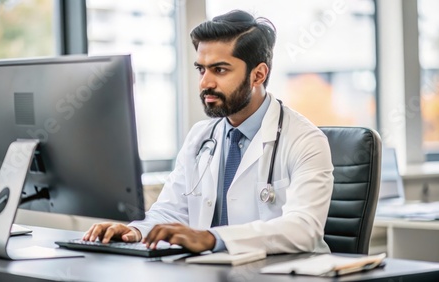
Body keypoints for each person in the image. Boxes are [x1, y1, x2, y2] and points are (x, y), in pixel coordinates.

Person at [83, 10, 334, 255]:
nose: (205, 83)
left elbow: (304, 228)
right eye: (201, 69)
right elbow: (170, 212)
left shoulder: (305, 141)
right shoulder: (200, 137)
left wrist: (212, 237)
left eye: (220, 70)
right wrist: (133, 232)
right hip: (214, 272)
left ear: (258, 75)